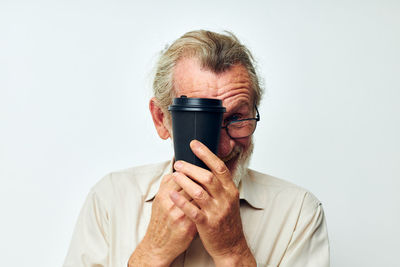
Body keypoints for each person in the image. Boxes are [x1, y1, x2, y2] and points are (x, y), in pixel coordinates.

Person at [64, 30, 330, 267]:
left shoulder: (298, 214)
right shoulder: (111, 200)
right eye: (203, 122)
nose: (223, 147)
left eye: (237, 118)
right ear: (161, 119)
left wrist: (232, 251)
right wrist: (152, 253)